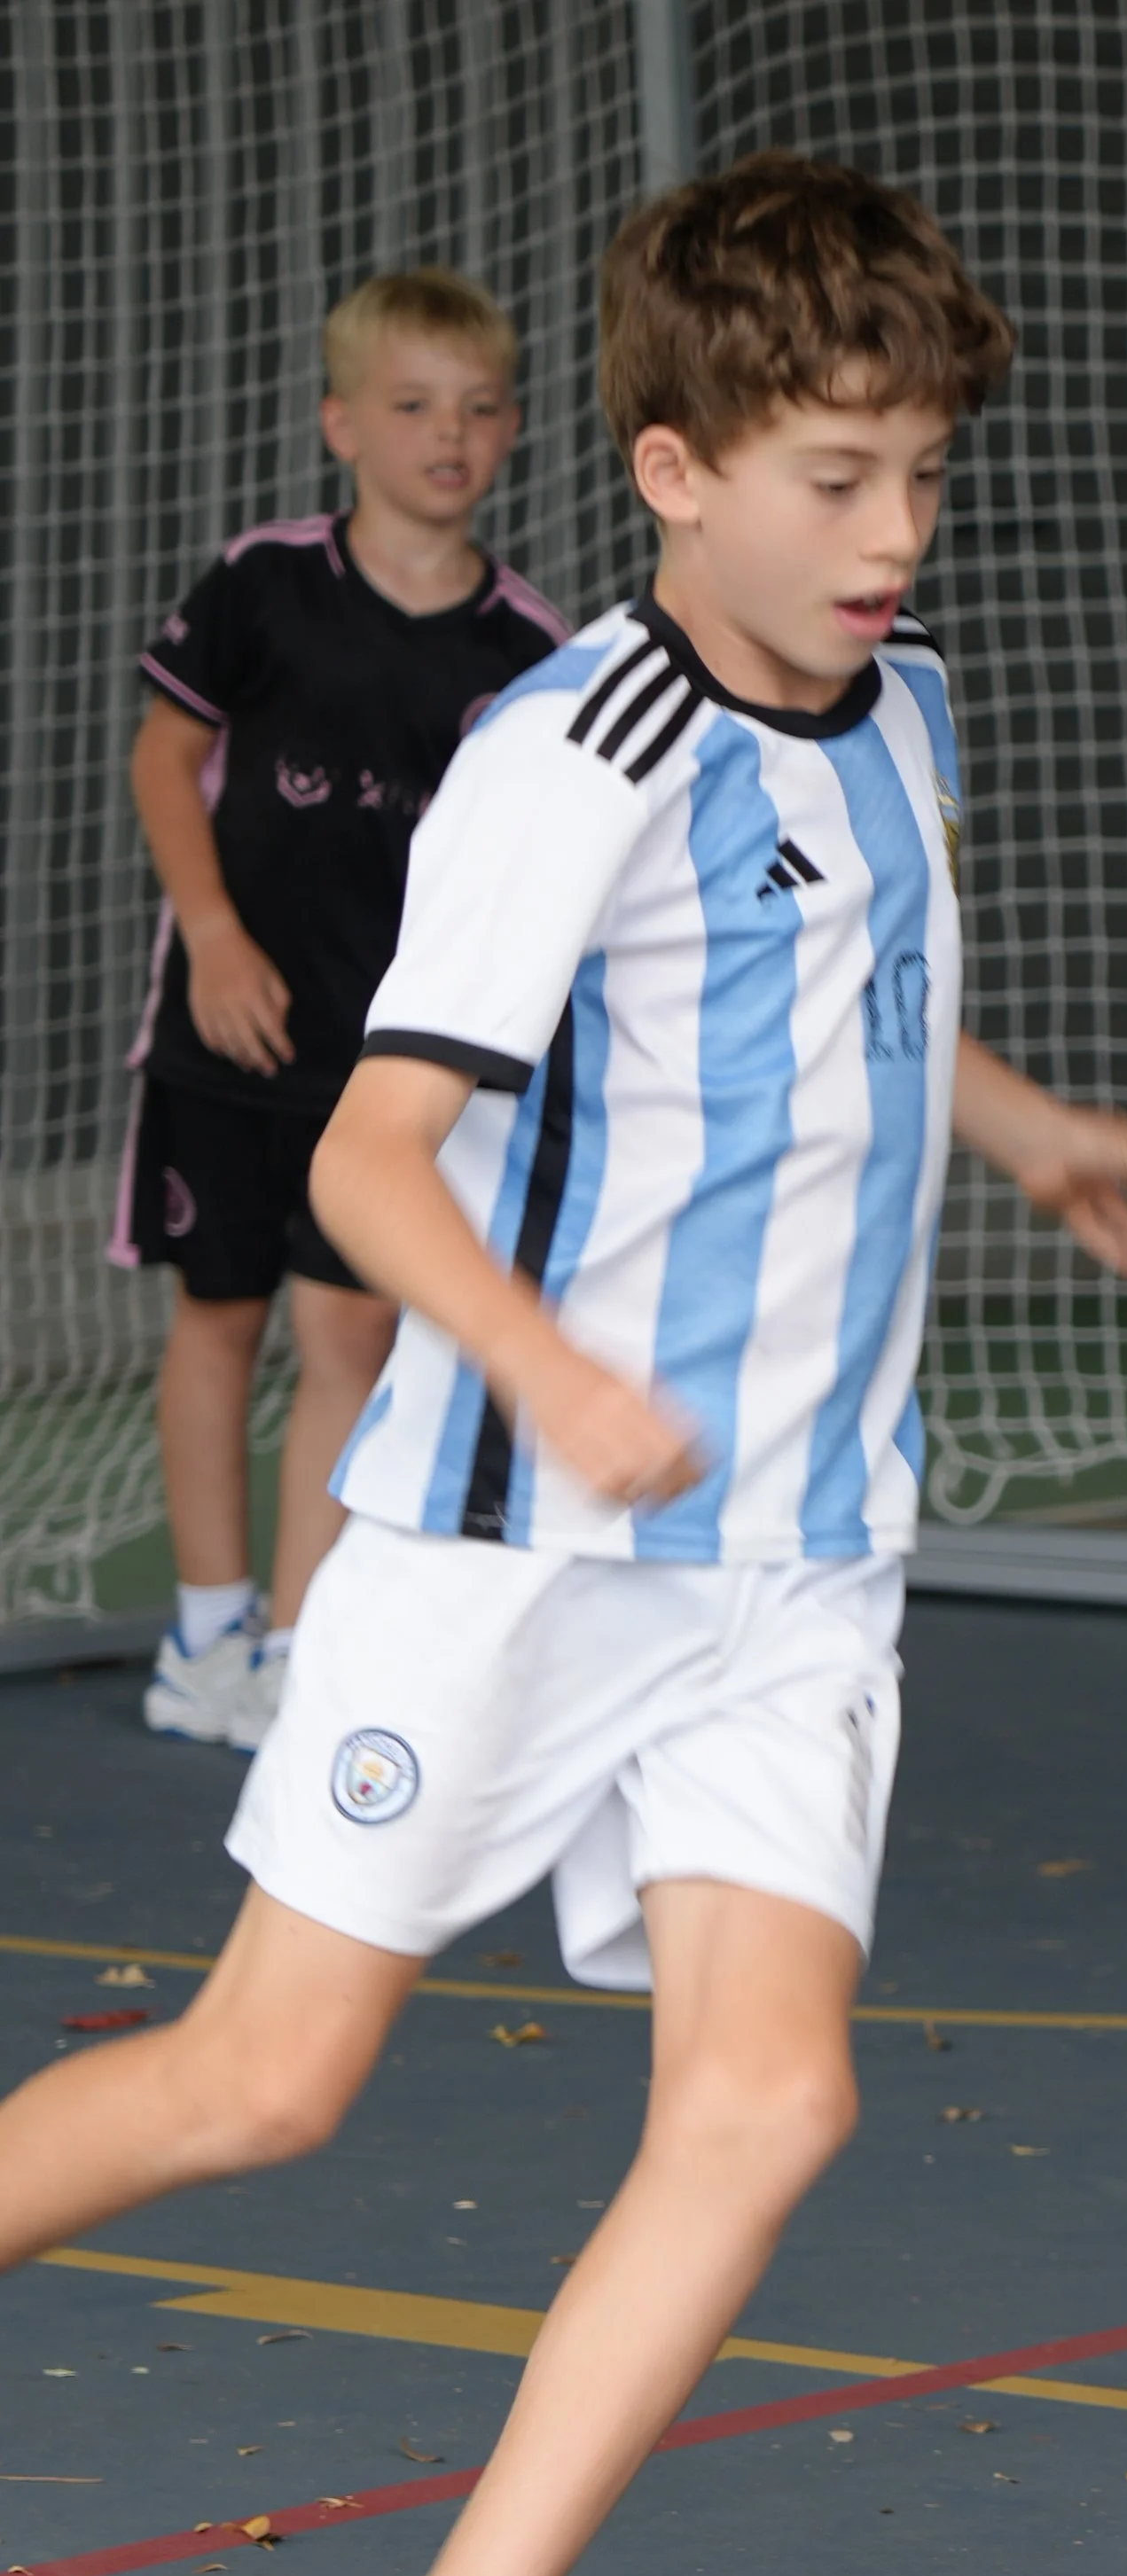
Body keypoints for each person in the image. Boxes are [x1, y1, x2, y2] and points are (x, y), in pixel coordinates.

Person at [4, 154, 1127, 2576]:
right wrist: (543, 1363)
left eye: (920, 475)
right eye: (833, 476)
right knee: (259, 2085)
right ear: (670, 469)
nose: (893, 536)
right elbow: (370, 1150)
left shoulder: (900, 705)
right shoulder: (573, 760)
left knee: (772, 2101)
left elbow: (862, 991)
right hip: (513, 1545)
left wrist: (1019, 1126)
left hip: (793, 1564)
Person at [121, 268, 566, 1753]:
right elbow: (161, 759)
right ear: (341, 426)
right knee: (219, 1317)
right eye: (413, 407)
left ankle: (304, 1648)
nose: (451, 435)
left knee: (353, 1338)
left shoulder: (529, 653)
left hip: (388, 1076)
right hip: (231, 1035)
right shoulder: (262, 585)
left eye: (482, 408)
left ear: (512, 432)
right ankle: (206, 1637)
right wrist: (214, 935)